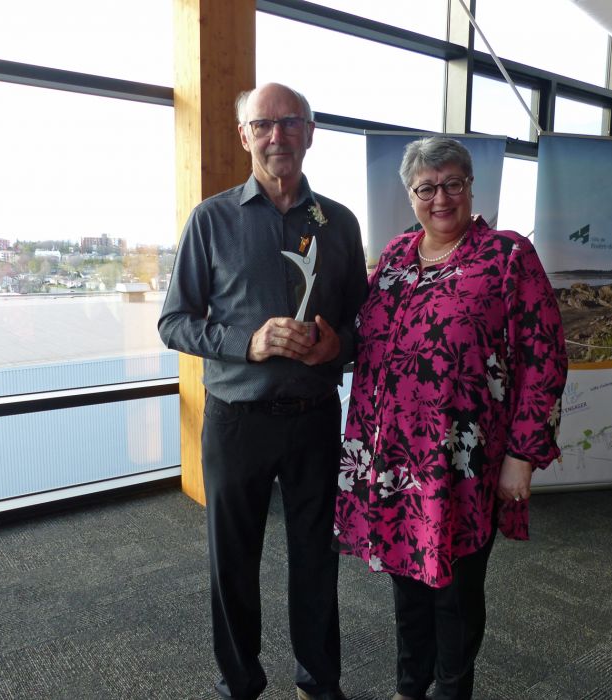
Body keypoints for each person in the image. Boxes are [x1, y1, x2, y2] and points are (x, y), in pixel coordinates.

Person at [334, 136, 567, 699]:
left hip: (464, 462)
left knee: (456, 593)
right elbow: (364, 337)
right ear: (411, 195)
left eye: (452, 184)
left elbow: (546, 356)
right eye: (426, 188)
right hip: (392, 460)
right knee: (406, 586)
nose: (440, 197)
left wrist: (522, 455)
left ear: (469, 186)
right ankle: (409, 686)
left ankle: (450, 689)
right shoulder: (392, 257)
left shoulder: (508, 256)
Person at [158, 83, 367, 699]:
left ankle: (319, 681)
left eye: (290, 123)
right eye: (264, 125)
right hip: (235, 419)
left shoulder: (340, 223)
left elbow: (364, 327)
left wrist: (337, 348)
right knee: (233, 563)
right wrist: (245, 343)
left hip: (312, 419)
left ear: (310, 132)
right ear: (245, 136)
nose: (278, 136)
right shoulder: (211, 220)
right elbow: (174, 322)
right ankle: (240, 683)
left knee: (315, 559)